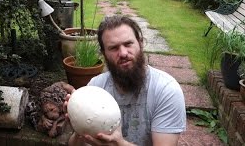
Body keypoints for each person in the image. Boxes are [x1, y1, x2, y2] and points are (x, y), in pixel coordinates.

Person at [65, 15, 186, 146]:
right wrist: (79, 124)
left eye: (128, 44)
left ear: (140, 43)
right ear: (104, 53)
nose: (123, 53)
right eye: (113, 48)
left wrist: (119, 144)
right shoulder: (96, 86)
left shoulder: (166, 90)